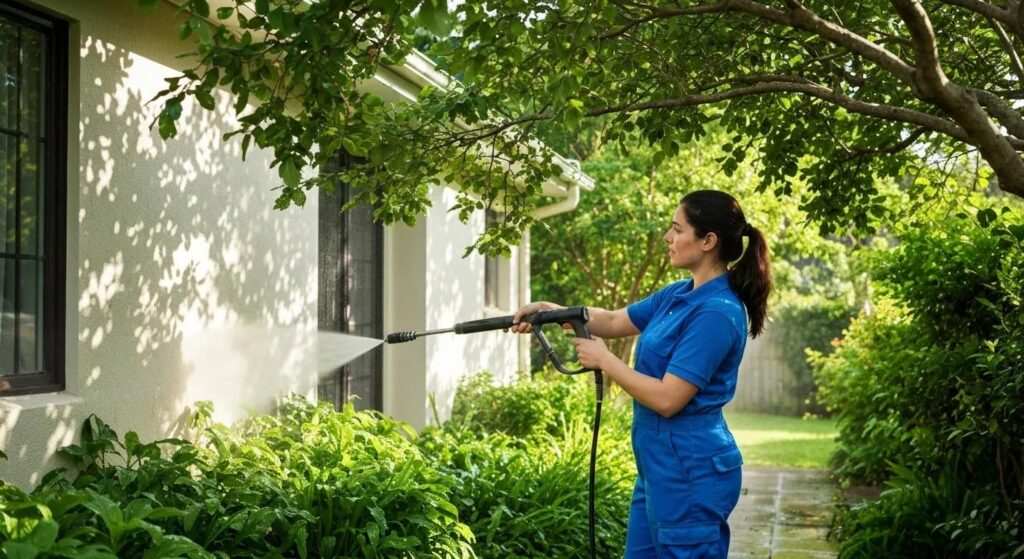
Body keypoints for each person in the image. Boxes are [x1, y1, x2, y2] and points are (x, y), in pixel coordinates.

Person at [511, 189, 771, 558]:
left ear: (708, 241)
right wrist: (554, 311)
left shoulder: (716, 312)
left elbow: (668, 399)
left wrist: (605, 361)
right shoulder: (677, 295)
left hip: (691, 472)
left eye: (677, 229)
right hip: (657, 468)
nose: (668, 237)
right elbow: (615, 319)